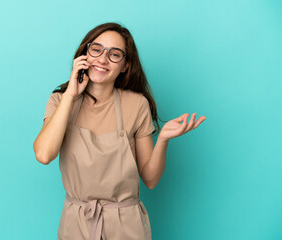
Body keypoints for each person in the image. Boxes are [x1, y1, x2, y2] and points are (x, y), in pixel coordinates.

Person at [33, 22, 206, 240]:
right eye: (96, 49)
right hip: (76, 224)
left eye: (115, 54)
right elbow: (44, 154)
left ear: (125, 65)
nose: (103, 59)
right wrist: (70, 95)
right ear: (85, 53)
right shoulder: (60, 100)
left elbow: (150, 179)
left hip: (126, 226)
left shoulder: (136, 104)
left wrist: (162, 139)